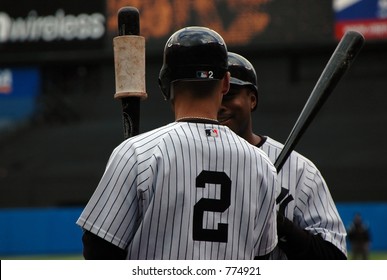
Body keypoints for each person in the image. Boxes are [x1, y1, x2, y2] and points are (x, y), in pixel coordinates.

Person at [76, 27, 279, 260]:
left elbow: (98, 250)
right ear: (225, 83)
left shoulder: (136, 153)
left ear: (164, 84)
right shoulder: (262, 164)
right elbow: (263, 259)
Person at [217, 52, 347, 259]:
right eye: (211, 96)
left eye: (229, 94)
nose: (219, 104)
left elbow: (334, 258)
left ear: (252, 100)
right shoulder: (178, 163)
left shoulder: (300, 171)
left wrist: (279, 224)